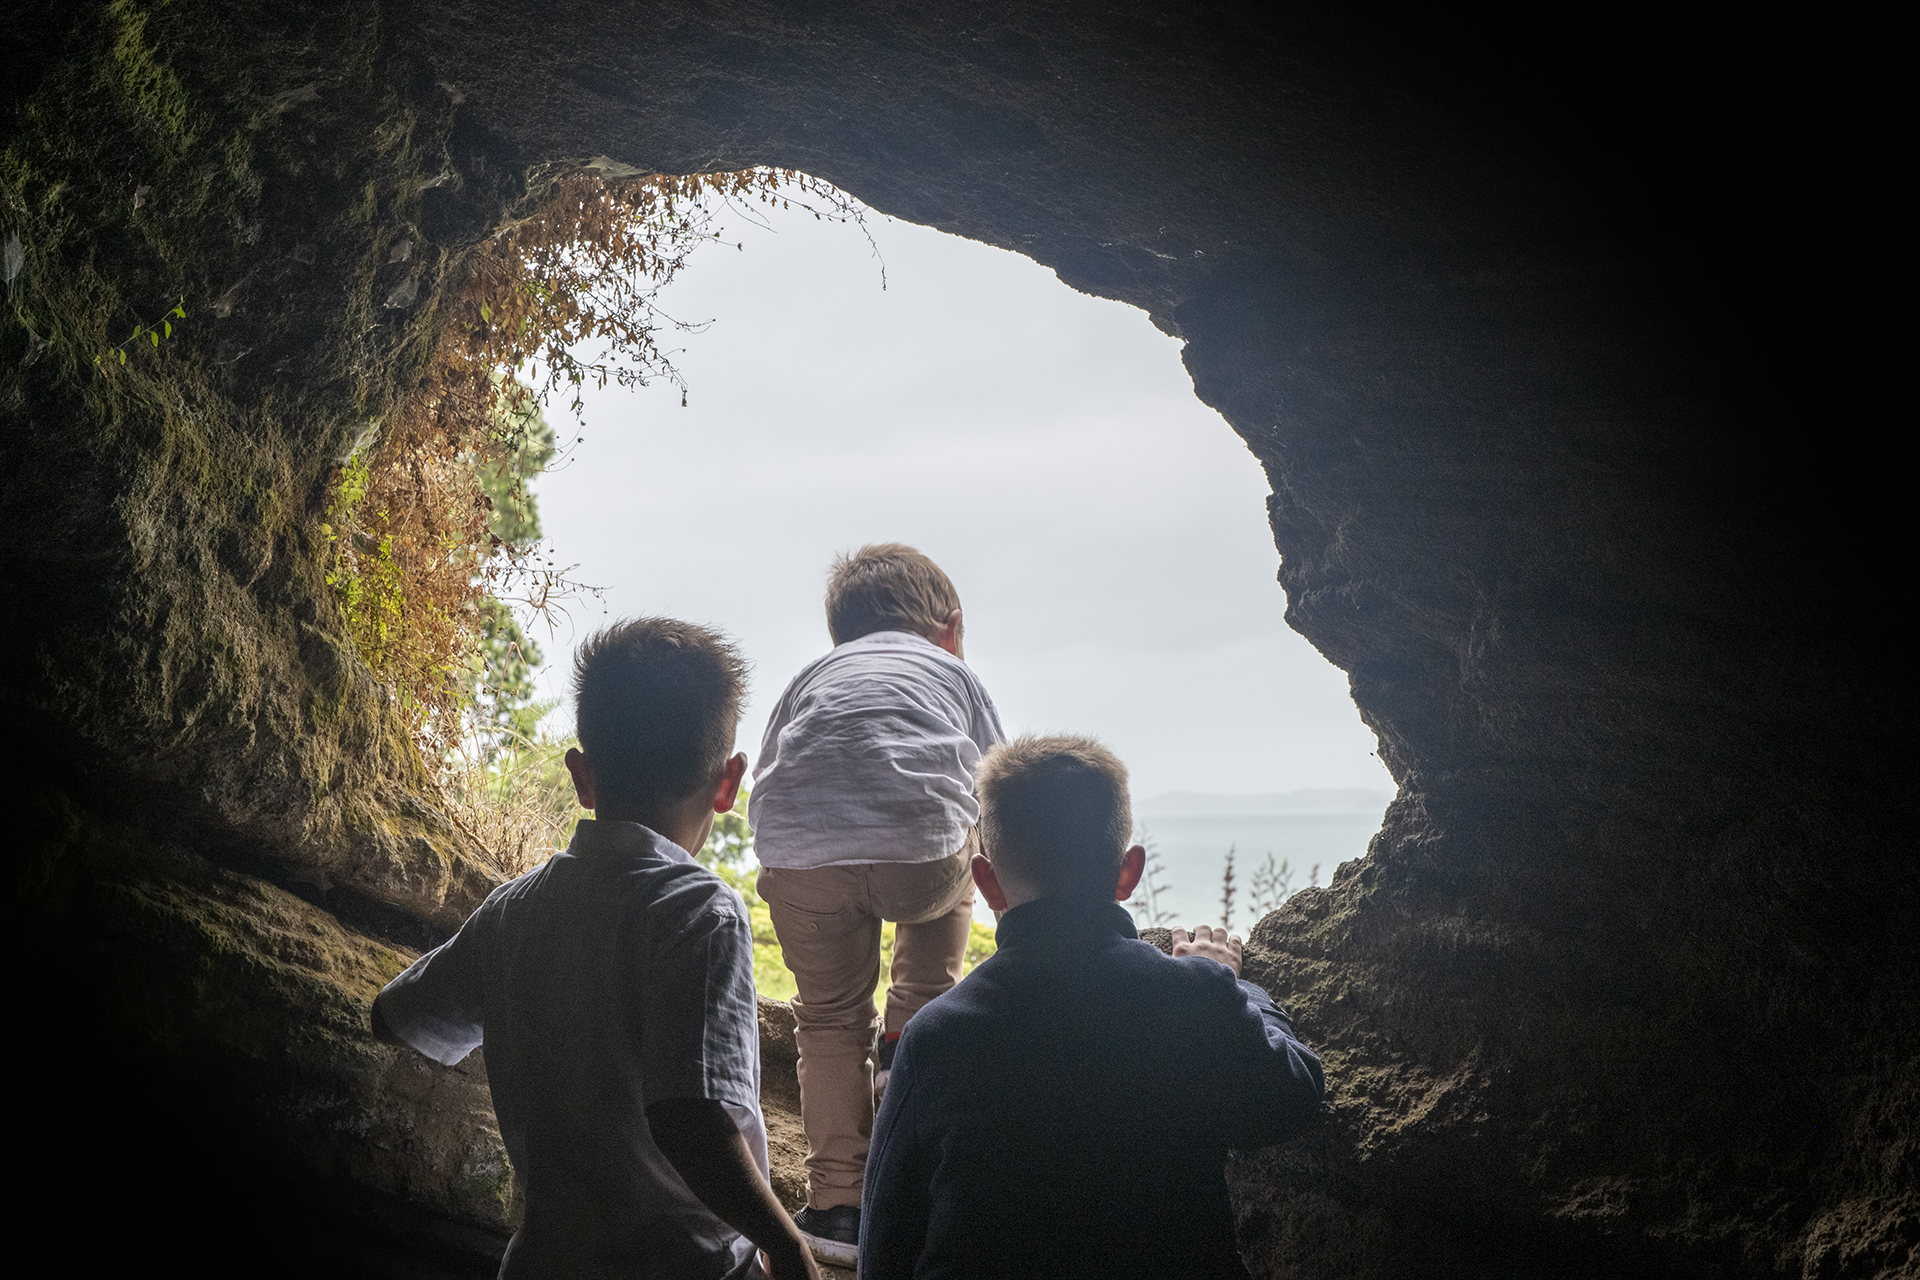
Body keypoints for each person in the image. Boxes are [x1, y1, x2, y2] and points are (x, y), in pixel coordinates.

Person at [371, 618, 821, 1280]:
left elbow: (393, 1018)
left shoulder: (514, 908)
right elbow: (689, 1117)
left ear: (582, 776)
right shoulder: (701, 911)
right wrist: (786, 1243)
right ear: (728, 783)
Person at [860, 735, 1326, 1279]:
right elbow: (1292, 1098)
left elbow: (885, 1244)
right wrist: (1230, 984)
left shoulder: (935, 1036)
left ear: (986, 882)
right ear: (1129, 872)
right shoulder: (1191, 998)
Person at [749, 544, 1006, 1265]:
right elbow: (999, 787)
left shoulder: (812, 676)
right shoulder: (954, 673)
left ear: (840, 633)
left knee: (829, 1018)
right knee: (964, 843)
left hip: (802, 860)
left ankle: (837, 1210)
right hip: (920, 863)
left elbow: (771, 771)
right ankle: (910, 1032)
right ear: (950, 627)